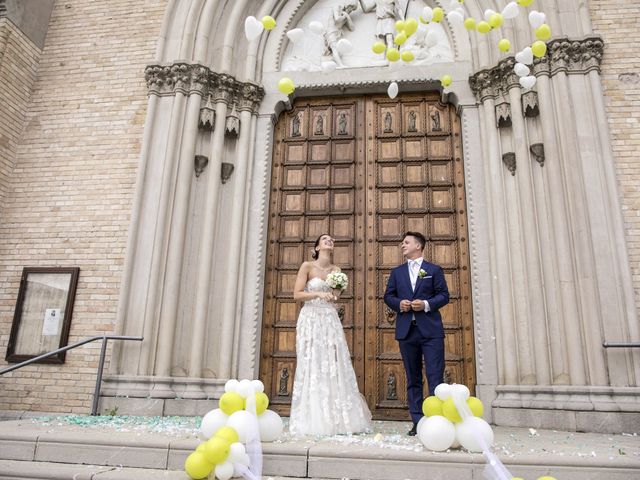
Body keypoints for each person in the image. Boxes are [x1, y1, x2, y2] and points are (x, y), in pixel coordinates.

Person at [289, 234, 372, 436]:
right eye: (325, 239)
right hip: (310, 318)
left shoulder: (337, 271)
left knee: (333, 362)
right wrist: (317, 294)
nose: (330, 241)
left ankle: (335, 418)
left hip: (329, 319)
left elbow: (336, 297)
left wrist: (333, 292)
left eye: (332, 240)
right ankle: (312, 418)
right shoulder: (307, 266)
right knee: (312, 362)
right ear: (317, 246)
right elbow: (297, 294)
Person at [383, 232, 449, 436]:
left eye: (406, 242)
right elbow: (388, 296)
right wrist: (398, 304)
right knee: (413, 378)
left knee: (434, 376)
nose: (402, 245)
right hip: (407, 331)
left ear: (418, 246)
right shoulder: (397, 272)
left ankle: (437, 421)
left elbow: (444, 296)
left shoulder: (433, 270)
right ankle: (418, 422)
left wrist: (427, 304)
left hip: (431, 332)